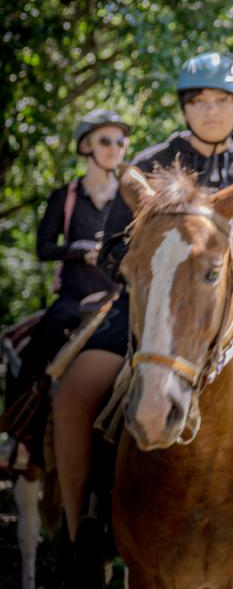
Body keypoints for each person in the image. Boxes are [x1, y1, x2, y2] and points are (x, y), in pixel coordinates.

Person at [50, 53, 233, 542]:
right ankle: (82, 527)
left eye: (223, 100)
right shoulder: (150, 164)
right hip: (155, 296)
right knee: (75, 389)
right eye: (200, 100)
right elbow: (111, 249)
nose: (212, 110)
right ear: (185, 108)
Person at [0, 110, 129, 470]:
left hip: (117, 300)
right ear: (86, 145)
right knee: (40, 346)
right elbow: (43, 248)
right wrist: (79, 250)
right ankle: (17, 433)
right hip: (73, 299)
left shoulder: (129, 199)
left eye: (121, 141)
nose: (115, 148)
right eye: (106, 140)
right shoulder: (66, 196)